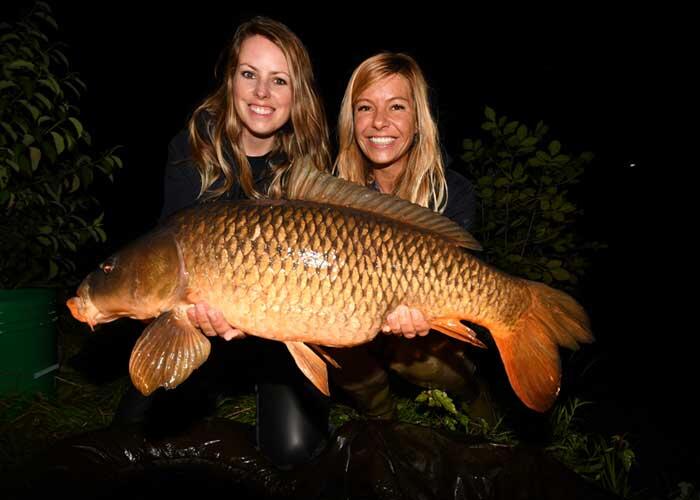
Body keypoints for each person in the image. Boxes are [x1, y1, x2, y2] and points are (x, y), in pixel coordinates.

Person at [330, 52, 495, 422]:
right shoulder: (334, 193)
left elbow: (469, 275)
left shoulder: (452, 192)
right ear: (350, 120)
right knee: (328, 341)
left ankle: (476, 402)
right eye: (364, 108)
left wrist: (427, 311)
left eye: (397, 107)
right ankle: (383, 424)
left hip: (424, 321)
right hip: (354, 317)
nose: (379, 123)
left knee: (416, 359)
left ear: (419, 121)